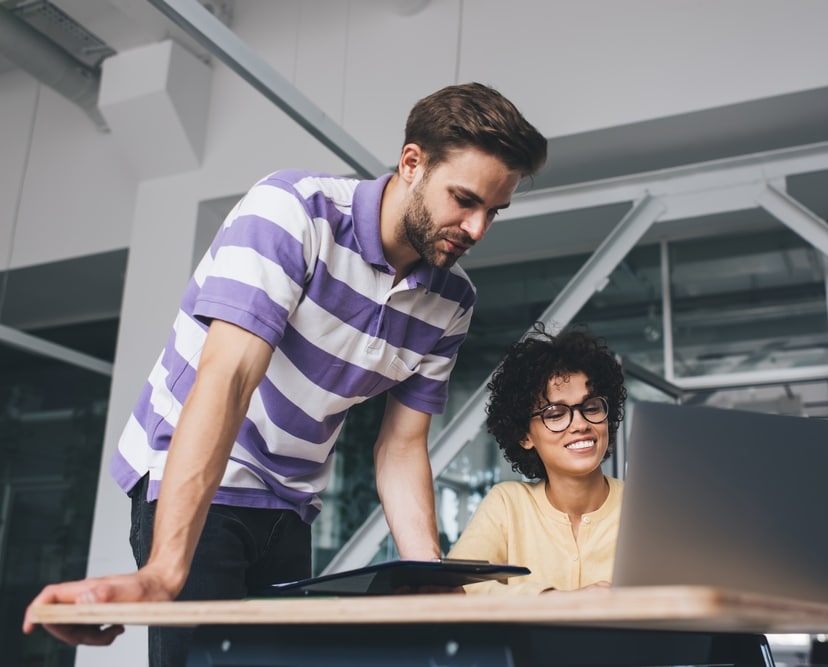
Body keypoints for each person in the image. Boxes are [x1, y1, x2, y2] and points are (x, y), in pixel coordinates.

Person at [23, 82, 547, 664]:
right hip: (198, 478)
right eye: (464, 200)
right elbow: (227, 383)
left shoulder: (451, 300)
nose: (476, 229)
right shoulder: (294, 212)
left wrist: (429, 576)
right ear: (411, 163)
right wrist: (164, 573)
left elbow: (400, 448)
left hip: (291, 503)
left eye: (493, 212)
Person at [446, 323, 627, 594]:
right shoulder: (507, 504)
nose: (580, 424)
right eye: (555, 414)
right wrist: (559, 601)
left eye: (591, 407)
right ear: (524, 435)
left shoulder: (643, 507)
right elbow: (457, 586)